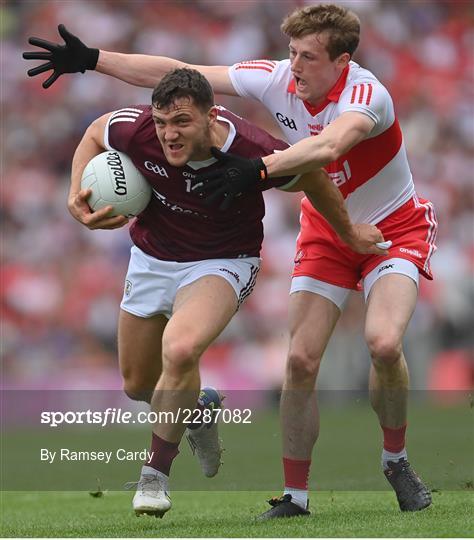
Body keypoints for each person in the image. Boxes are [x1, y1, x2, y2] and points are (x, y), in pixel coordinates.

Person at [23, 4, 435, 518]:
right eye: (292, 53)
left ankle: (395, 460)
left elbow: (328, 149)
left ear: (342, 61)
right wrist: (94, 58)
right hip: (327, 230)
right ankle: (296, 498)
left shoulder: (366, 94)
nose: (295, 65)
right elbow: (184, 75)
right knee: (299, 360)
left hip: (390, 227)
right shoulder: (278, 79)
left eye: (308, 56)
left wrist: (258, 170)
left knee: (382, 341)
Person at [66, 66, 384, 519]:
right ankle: (197, 409)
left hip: (223, 260)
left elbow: (312, 176)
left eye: (182, 123)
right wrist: (73, 194)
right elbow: (97, 133)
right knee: (139, 384)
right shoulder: (137, 130)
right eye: (161, 123)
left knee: (180, 348)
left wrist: (349, 232)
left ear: (210, 115)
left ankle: (154, 478)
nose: (168, 135)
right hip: (152, 257)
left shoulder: (251, 149)